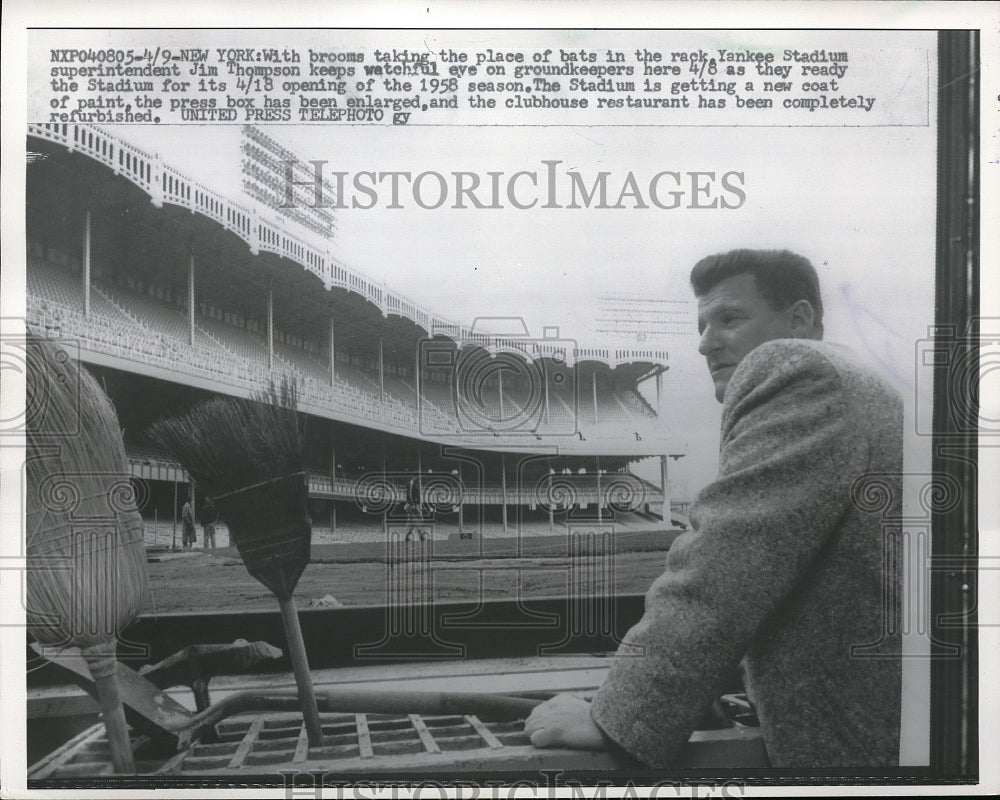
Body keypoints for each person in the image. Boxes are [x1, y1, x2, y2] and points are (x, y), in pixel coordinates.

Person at [525, 249, 903, 768]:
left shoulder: (795, 369)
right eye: (702, 324)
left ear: (798, 321)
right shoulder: (861, 379)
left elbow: (726, 565)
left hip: (846, 742)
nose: (705, 343)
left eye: (729, 318)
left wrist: (618, 718)